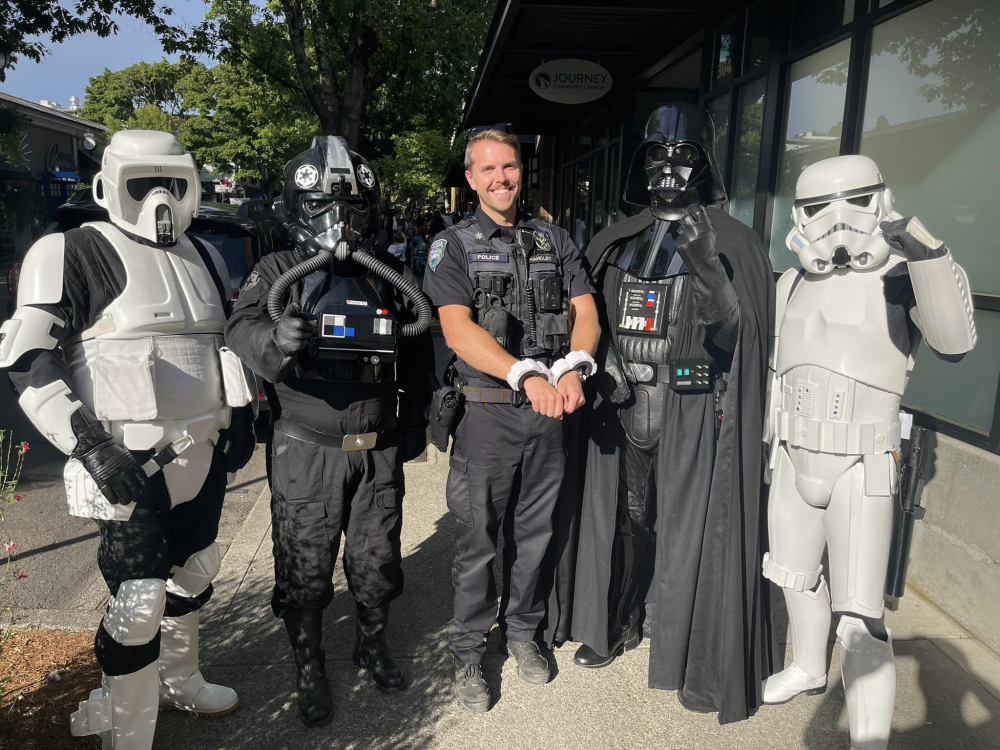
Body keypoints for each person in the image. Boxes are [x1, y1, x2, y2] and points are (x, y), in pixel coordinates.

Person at [0, 130, 256, 750]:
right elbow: (27, 356)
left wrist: (244, 415)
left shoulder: (206, 254)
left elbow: (220, 348)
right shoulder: (71, 252)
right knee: (138, 598)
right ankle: (127, 730)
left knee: (194, 571)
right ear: (108, 185)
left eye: (174, 184)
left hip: (204, 448)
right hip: (126, 460)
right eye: (145, 185)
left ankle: (179, 679)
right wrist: (88, 445)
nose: (161, 199)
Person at [568, 104, 777, 723]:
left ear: (704, 165)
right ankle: (619, 619)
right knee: (624, 520)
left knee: (690, 525)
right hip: (621, 404)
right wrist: (600, 361)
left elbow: (735, 335)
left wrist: (707, 267)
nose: (668, 168)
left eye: (683, 156)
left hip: (691, 408)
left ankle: (684, 646)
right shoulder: (615, 240)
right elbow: (589, 317)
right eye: (657, 155)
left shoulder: (732, 242)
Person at [761, 155, 976, 749]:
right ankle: (807, 667)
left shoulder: (903, 277)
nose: (837, 219)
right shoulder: (791, 283)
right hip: (792, 454)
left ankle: (869, 739)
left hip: (862, 462)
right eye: (818, 207)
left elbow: (954, 342)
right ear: (799, 215)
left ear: (880, 199)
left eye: (854, 201)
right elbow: (775, 368)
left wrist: (929, 257)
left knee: (860, 617)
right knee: (794, 576)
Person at [223, 136, 434, 728]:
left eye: (350, 205)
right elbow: (239, 328)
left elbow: (418, 351)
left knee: (377, 555)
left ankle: (372, 642)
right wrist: (275, 340)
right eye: (321, 205)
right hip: (307, 449)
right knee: (305, 561)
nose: (338, 219)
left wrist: (418, 417)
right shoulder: (276, 271)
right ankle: (309, 663)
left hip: (376, 446)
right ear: (297, 208)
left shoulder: (389, 273)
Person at [422, 128, 600, 714]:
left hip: (549, 416)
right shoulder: (452, 245)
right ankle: (469, 651)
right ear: (471, 179)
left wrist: (574, 365)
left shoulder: (554, 239)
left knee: (536, 533)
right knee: (478, 540)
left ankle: (523, 632)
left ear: (522, 172)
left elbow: (585, 311)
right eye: (488, 169)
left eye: (510, 167)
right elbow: (457, 329)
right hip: (487, 415)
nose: (501, 178)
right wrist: (524, 374)